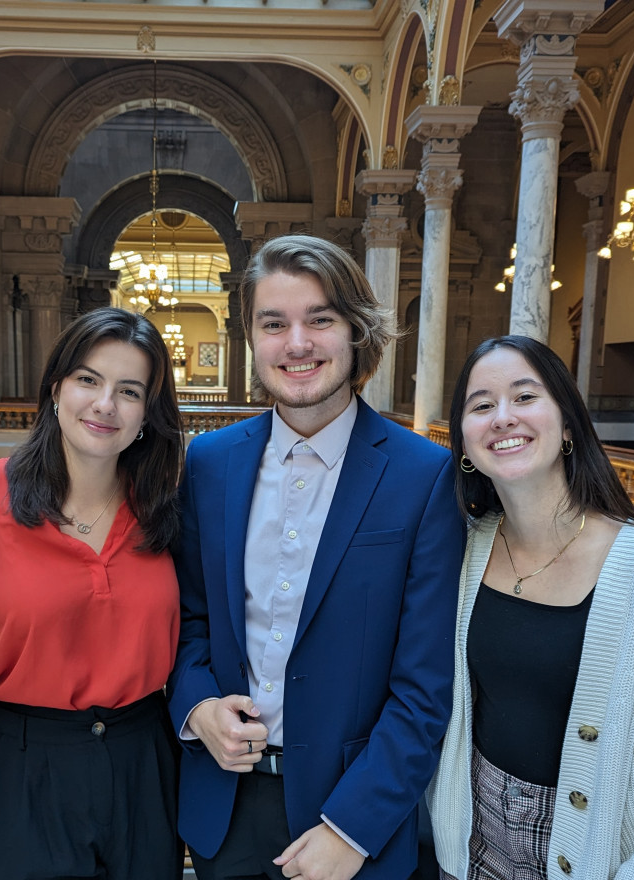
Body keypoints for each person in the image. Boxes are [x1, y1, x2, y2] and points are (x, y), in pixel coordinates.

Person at [168, 234, 466, 880]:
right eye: (274, 324)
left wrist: (352, 828)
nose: (296, 344)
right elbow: (187, 619)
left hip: (351, 818)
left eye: (320, 320)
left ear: (356, 332)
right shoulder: (210, 464)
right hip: (227, 808)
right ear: (251, 338)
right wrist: (198, 707)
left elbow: (423, 688)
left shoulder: (422, 476)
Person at [428, 335, 634, 880]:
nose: (503, 418)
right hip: (472, 846)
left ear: (567, 424)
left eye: (525, 397)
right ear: (465, 442)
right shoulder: (465, 547)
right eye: (481, 406)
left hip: (591, 850)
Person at [0, 307, 185, 879]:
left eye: (130, 391)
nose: (105, 405)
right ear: (55, 390)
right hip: (21, 763)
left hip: (143, 759)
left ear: (148, 414)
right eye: (88, 380)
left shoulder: (169, 508)